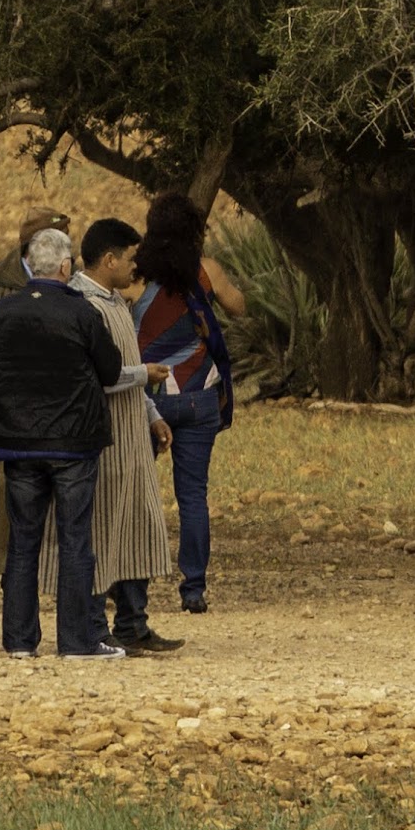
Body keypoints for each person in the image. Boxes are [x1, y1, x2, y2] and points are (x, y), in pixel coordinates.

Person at [0, 222, 121, 661]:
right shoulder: (82, 313)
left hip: (17, 443)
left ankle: (20, 640)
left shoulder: (0, 312)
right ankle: (77, 641)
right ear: (65, 266)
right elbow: (111, 371)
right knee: (75, 539)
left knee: (23, 541)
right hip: (73, 444)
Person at [74, 216, 179, 655]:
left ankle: (134, 624)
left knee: (136, 527)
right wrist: (144, 375)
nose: (137, 267)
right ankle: (98, 625)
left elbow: (129, 370)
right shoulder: (82, 304)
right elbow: (96, 375)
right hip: (106, 439)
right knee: (104, 532)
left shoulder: (117, 301)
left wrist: (152, 413)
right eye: (131, 258)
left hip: (134, 437)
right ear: (109, 259)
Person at [130, 193, 237, 616]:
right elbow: (239, 305)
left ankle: (130, 585)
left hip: (144, 398)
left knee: (134, 492)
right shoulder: (205, 272)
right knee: (193, 496)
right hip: (198, 397)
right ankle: (193, 589)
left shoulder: (136, 280)